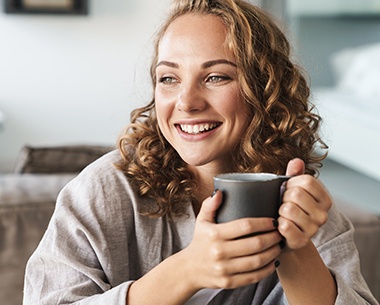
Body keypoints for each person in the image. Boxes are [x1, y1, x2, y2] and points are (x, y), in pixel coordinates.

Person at [23, 0, 379, 304]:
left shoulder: (301, 204)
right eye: (169, 78)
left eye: (216, 77)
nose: (187, 102)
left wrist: (296, 248)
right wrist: (187, 271)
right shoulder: (103, 192)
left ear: (265, 89)